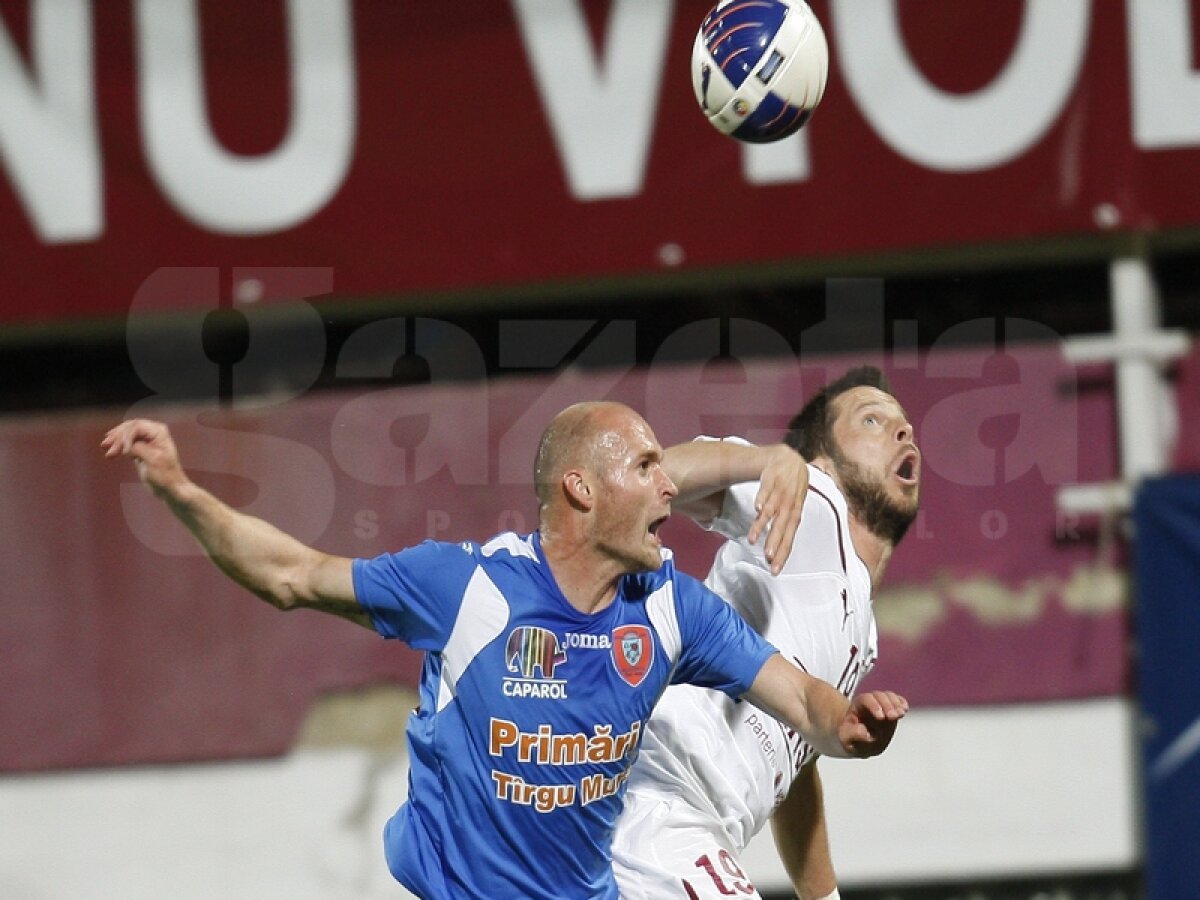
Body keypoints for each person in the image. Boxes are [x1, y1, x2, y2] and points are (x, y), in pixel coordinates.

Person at [102, 400, 908, 900]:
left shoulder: (671, 611)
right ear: (583, 491)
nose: (672, 488)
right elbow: (293, 574)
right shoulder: (468, 591)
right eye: (647, 466)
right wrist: (179, 489)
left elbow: (801, 699)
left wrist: (852, 726)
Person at [612, 367, 921, 900]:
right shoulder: (816, 503)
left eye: (905, 426)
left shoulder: (857, 626)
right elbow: (651, 479)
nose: (903, 433)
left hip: (676, 825)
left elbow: (797, 762)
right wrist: (770, 461)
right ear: (819, 462)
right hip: (660, 802)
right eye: (872, 419)